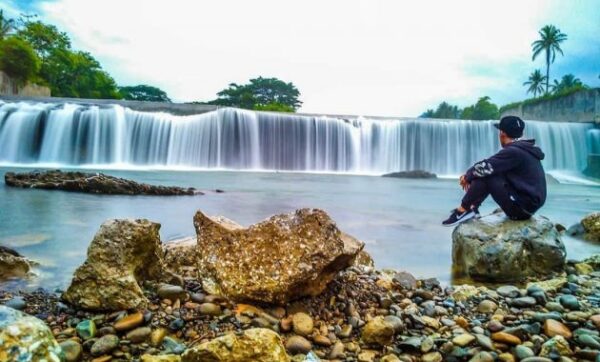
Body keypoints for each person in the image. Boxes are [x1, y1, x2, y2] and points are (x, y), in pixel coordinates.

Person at [442, 115, 547, 227]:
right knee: (491, 171)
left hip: (521, 209)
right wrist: (470, 174)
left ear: (502, 133)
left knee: (487, 174)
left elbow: (486, 166)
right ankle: (471, 208)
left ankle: (464, 210)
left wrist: (467, 176)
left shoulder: (514, 152)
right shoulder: (525, 149)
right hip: (528, 206)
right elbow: (492, 164)